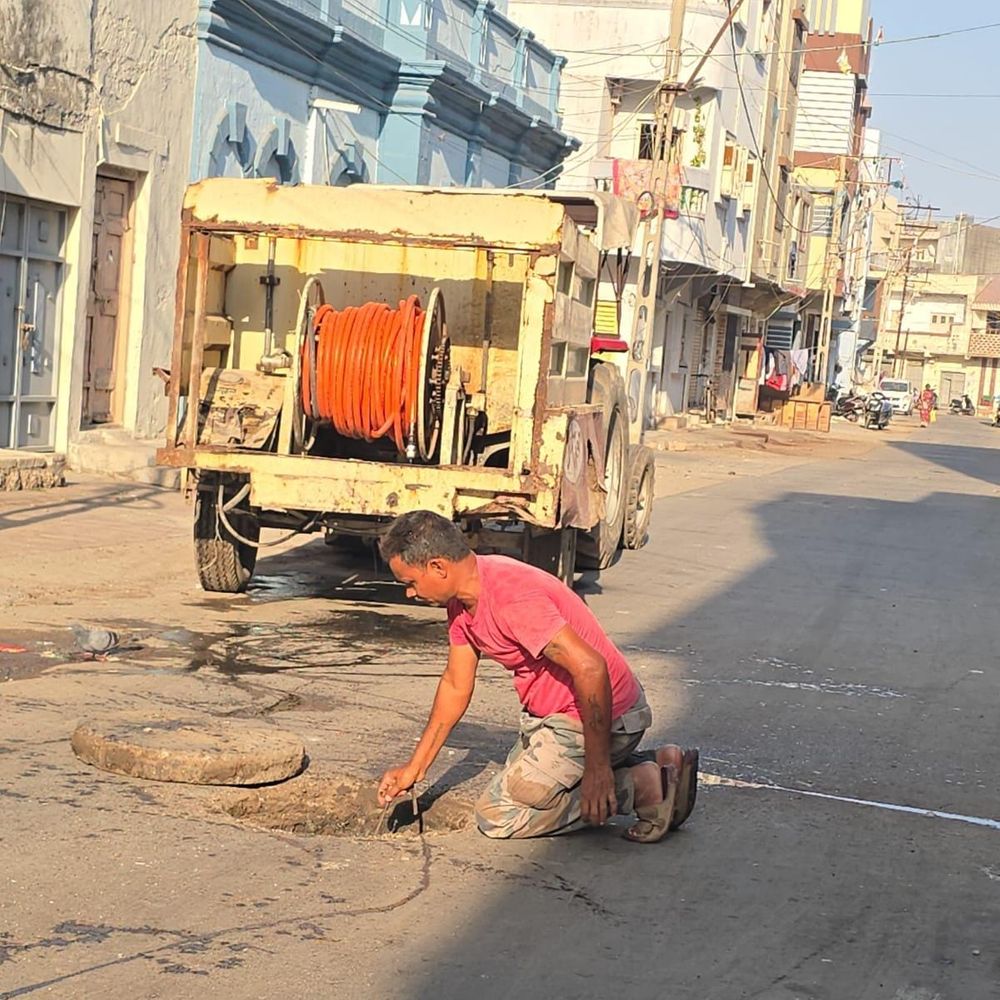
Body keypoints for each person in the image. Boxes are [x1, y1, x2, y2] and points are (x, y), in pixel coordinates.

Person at [376, 510, 698, 844]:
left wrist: (598, 771)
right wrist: (416, 767)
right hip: (557, 720)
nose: (410, 594)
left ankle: (641, 787)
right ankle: (661, 763)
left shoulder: (510, 597)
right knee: (525, 782)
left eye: (410, 582)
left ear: (438, 567)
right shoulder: (464, 600)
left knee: (500, 813)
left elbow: (591, 667)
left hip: (601, 717)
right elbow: (456, 684)